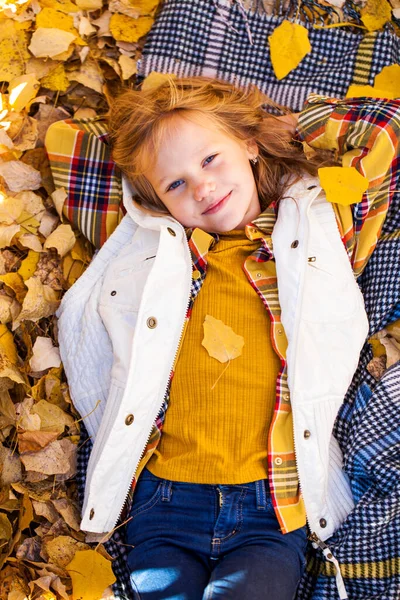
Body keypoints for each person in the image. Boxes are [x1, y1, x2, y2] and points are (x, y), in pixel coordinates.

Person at [48, 76, 399, 600]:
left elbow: (384, 128)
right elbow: (66, 140)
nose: (202, 188)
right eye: (176, 184)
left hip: (273, 506)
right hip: (163, 505)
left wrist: (270, 125)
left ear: (249, 146)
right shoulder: (157, 249)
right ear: (157, 201)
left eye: (212, 159)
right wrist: (160, 145)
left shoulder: (320, 226)